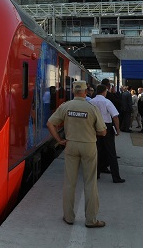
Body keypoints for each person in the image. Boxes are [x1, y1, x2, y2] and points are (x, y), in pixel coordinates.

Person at [47, 81, 107, 228]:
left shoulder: (66, 106)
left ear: (73, 92)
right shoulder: (92, 108)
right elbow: (102, 132)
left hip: (71, 145)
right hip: (88, 145)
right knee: (90, 183)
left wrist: (59, 140)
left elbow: (50, 123)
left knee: (69, 182)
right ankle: (91, 220)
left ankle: (68, 217)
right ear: (86, 92)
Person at [90, 84, 125, 183]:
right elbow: (115, 116)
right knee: (111, 152)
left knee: (97, 151)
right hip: (107, 127)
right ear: (104, 91)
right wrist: (117, 129)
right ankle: (116, 177)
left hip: (95, 127)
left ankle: (95, 174)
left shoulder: (91, 102)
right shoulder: (107, 101)